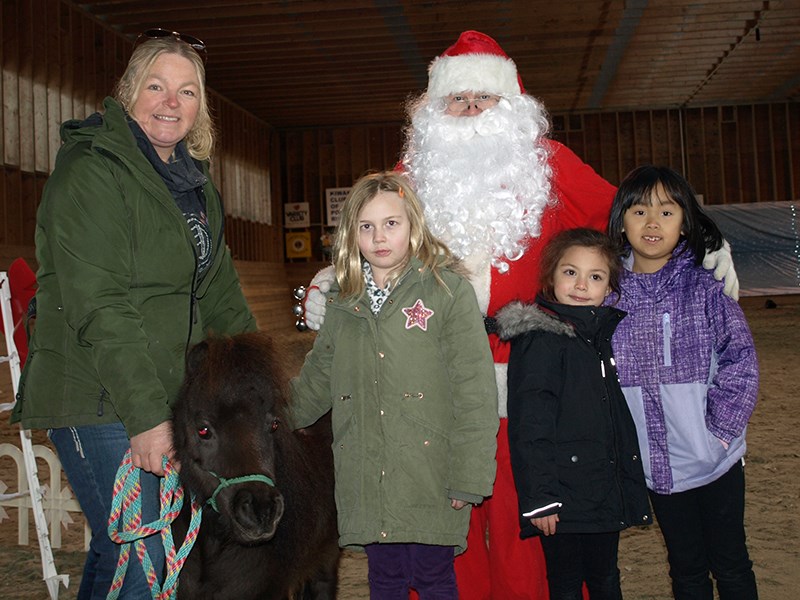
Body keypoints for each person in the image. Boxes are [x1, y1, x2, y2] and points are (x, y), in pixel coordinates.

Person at [300, 31, 737, 600]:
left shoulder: (549, 165)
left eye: (485, 97)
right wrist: (334, 279)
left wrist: (697, 242)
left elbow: (625, 217)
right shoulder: (411, 176)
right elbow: (372, 237)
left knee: (528, 533)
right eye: (458, 99)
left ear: (513, 106)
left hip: (533, 386)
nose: (472, 109)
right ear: (434, 110)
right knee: (441, 535)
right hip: (429, 394)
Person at [11, 30, 256, 599]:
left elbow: (217, 288)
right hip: (100, 396)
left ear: (200, 108)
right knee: (147, 556)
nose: (171, 102)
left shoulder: (192, 183)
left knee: (120, 549)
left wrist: (259, 381)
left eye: (187, 91)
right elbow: (101, 305)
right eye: (156, 86)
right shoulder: (92, 173)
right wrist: (148, 419)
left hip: (160, 391)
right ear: (127, 94)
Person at [290, 171, 499, 599]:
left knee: (433, 577)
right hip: (367, 470)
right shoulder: (343, 299)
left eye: (391, 223)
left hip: (430, 470)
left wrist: (470, 474)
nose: (379, 237)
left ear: (413, 226)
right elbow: (317, 377)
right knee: (383, 580)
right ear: (352, 233)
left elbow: (475, 390)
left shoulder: (447, 291)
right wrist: (271, 418)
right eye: (366, 226)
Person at [608, 166, 759, 600]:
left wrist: (720, 433)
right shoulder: (609, 295)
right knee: (686, 568)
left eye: (667, 212)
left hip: (715, 459)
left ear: (685, 222)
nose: (652, 223)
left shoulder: (705, 288)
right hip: (659, 470)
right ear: (622, 220)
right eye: (639, 211)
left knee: (731, 563)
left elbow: (740, 361)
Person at [496, 228, 651, 600]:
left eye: (595, 276)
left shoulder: (600, 336)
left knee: (605, 579)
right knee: (565, 584)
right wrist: (541, 498)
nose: (581, 285)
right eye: (570, 272)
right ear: (551, 277)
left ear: (609, 287)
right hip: (562, 498)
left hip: (599, 488)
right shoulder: (541, 340)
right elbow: (530, 423)